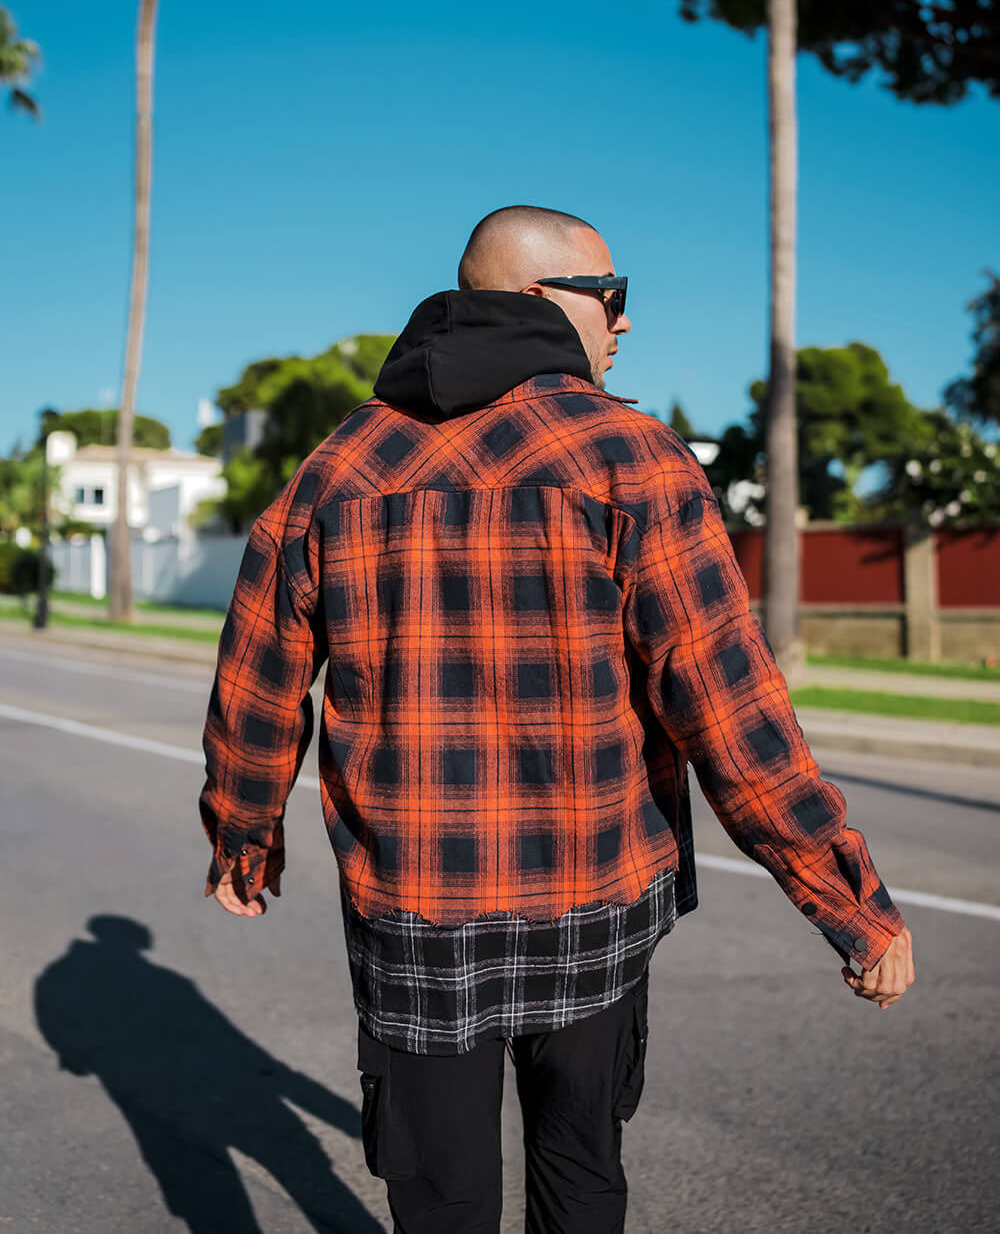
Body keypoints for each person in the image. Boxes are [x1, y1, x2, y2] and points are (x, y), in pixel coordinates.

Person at [199, 204, 915, 1234]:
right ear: (537, 299)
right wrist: (848, 904)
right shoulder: (629, 457)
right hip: (593, 899)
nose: (624, 324)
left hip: (416, 913)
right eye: (611, 297)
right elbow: (728, 707)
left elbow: (258, 677)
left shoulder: (337, 468)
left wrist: (242, 831)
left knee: (437, 1198)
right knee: (578, 1174)